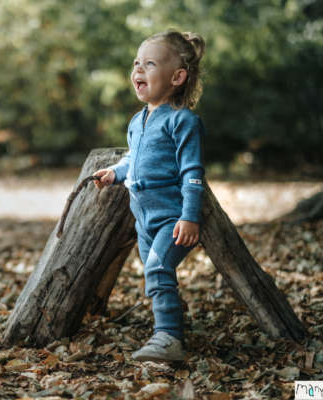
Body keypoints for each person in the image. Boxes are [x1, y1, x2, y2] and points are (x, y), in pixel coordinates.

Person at [92, 29, 206, 363]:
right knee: (156, 274)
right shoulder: (137, 121)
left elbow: (192, 172)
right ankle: (170, 324)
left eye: (150, 64)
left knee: (157, 268)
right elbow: (134, 159)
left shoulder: (183, 121)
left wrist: (189, 217)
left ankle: (169, 338)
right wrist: (115, 173)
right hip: (144, 220)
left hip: (173, 219)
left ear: (177, 77)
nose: (138, 69)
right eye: (136, 63)